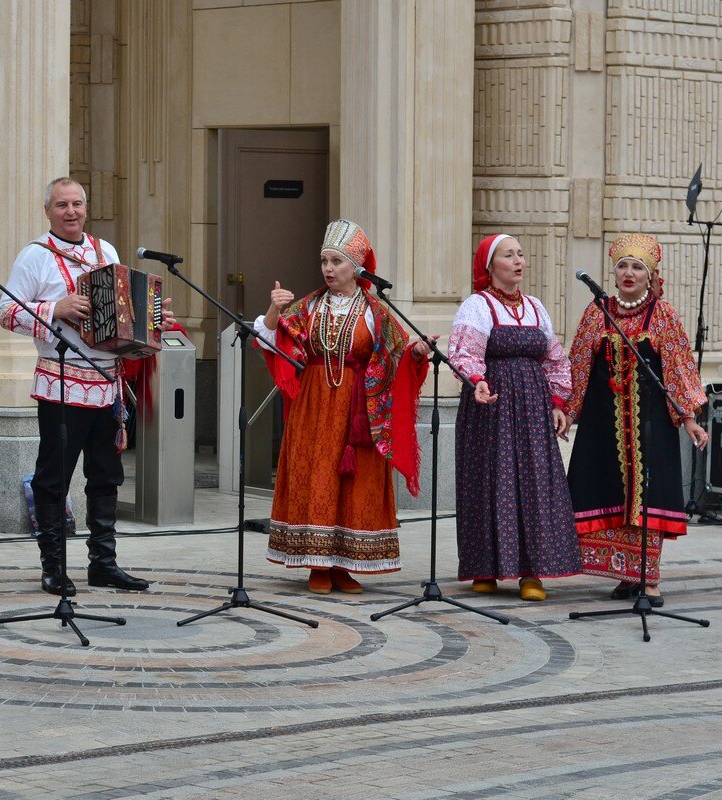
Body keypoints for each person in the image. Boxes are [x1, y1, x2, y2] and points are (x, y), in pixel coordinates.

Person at [0, 177, 175, 595]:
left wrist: (153, 321)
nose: (71, 211)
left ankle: (103, 564)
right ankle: (54, 567)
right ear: (48, 211)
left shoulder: (105, 251)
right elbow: (6, 312)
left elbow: (124, 311)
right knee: (53, 478)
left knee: (106, 476)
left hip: (109, 383)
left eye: (77, 203)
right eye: (62, 205)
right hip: (62, 383)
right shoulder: (34, 256)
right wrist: (54, 308)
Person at [255, 219, 429, 594]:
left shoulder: (376, 311)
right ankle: (317, 563)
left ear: (357, 266)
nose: (328, 269)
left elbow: (398, 357)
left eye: (336, 261)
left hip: (358, 410)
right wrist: (273, 309)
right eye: (324, 261)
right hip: (313, 406)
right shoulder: (309, 306)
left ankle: (344, 564)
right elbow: (269, 339)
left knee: (354, 481)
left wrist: (417, 352)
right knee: (316, 474)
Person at [565, 233, 708, 607]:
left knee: (648, 497)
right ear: (614, 274)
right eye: (623, 266)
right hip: (603, 424)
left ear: (651, 275)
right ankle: (626, 574)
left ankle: (648, 578)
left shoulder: (662, 315)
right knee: (609, 493)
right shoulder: (597, 312)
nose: (629, 273)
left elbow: (678, 368)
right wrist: (567, 410)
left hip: (651, 426)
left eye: (637, 267)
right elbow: (578, 365)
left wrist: (689, 418)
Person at [447, 234, 583, 601]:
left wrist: (558, 402)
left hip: (532, 407)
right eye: (509, 255)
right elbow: (464, 352)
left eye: (520, 254)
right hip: (490, 405)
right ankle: (484, 568)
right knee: (488, 480)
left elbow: (555, 357)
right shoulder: (477, 305)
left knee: (534, 483)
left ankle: (531, 572)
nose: (518, 261)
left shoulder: (536, 307)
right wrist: (476, 380)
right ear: (489, 265)